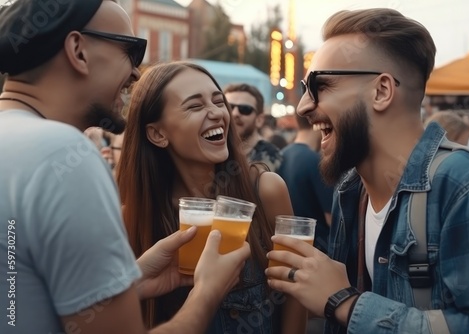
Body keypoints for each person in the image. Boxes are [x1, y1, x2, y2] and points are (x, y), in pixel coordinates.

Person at [0, 1, 250, 333]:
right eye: (131, 51)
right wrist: (207, 292)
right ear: (79, 50)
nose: (136, 73)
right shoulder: (62, 153)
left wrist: (131, 282)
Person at [266, 8, 469, 334]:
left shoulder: (463, 183)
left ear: (382, 91)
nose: (304, 106)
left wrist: (344, 302)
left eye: (320, 85)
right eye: (305, 87)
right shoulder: (350, 192)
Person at [116, 61, 307, 333]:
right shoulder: (133, 217)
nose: (217, 113)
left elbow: (293, 295)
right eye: (195, 106)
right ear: (158, 133)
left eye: (219, 102)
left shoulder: (266, 190)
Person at [278, 113, 333, 254]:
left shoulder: (281, 155)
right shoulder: (316, 161)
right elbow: (333, 219)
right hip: (317, 252)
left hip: (288, 247)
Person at [224, 83, 283, 172]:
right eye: (228, 107)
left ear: (259, 120)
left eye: (245, 109)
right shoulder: (216, 152)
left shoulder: (270, 156)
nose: (235, 113)